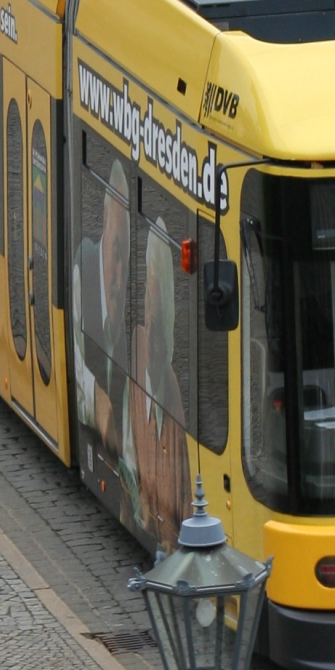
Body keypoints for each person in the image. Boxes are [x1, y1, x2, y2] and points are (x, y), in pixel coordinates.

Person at [128, 222, 191, 547]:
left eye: (159, 313)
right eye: (147, 309)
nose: (150, 326)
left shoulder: (176, 418)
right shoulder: (135, 352)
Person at [73, 157, 131, 461]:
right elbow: (66, 352)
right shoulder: (80, 273)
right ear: (105, 221)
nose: (119, 278)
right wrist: (96, 400)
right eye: (116, 253)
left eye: (126, 259)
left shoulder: (128, 327)